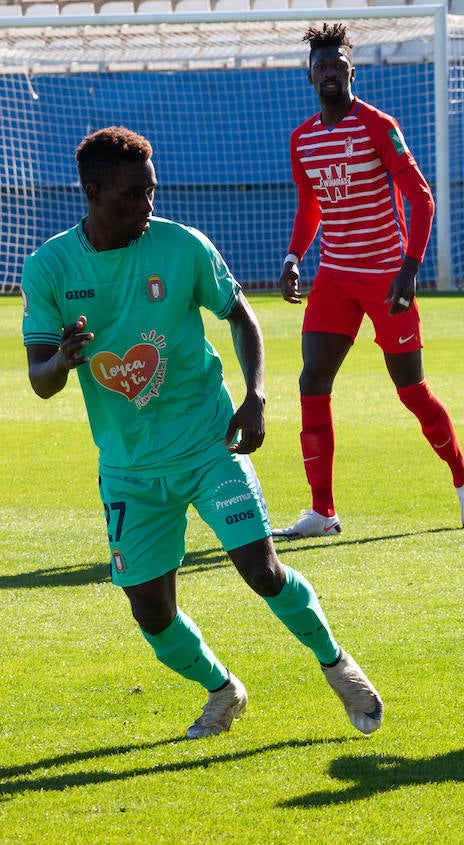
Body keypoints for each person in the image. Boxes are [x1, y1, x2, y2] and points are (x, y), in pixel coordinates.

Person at [21, 127, 384, 739]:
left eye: (152, 190)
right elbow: (40, 379)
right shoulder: (51, 267)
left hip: (210, 444)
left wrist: (256, 396)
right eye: (135, 194)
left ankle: (338, 666)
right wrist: (62, 360)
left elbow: (241, 316)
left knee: (261, 568)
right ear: (94, 191)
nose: (148, 204)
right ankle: (223, 690)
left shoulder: (182, 246)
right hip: (130, 469)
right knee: (151, 612)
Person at [273, 21, 464, 540]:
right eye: (320, 65)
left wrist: (410, 269)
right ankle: (322, 511)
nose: (329, 72)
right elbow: (309, 207)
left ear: (352, 69)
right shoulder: (302, 140)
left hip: (387, 280)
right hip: (334, 280)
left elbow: (421, 198)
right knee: (311, 382)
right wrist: (294, 256)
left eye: (338, 64)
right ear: (309, 75)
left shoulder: (377, 125)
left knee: (410, 388)